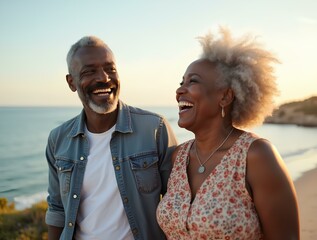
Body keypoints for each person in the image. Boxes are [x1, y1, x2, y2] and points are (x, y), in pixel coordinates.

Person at [156, 27, 300, 239]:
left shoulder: (256, 156)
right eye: (181, 82)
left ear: (224, 97)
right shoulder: (178, 158)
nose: (179, 91)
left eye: (192, 81)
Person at [45, 36, 177, 240]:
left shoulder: (154, 129)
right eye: (90, 71)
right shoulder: (58, 139)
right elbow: (56, 208)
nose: (104, 78)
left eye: (110, 69)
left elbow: (177, 202)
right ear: (71, 82)